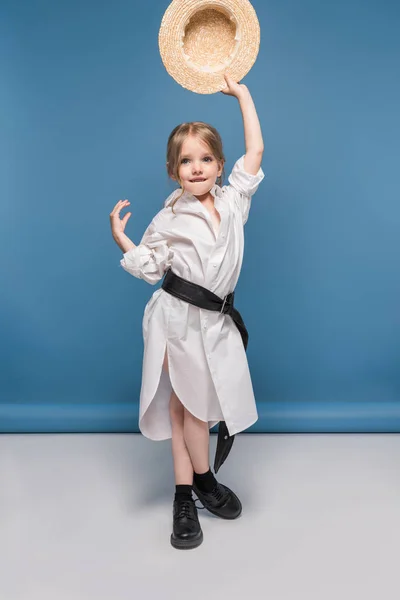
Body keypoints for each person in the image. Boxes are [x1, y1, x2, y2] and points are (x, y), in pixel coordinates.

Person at [109, 74, 264, 550]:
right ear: (174, 170)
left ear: (218, 164)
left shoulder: (234, 203)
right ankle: (197, 485)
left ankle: (191, 485)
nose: (196, 168)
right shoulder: (168, 217)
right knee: (188, 408)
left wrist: (243, 95)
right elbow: (151, 267)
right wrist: (124, 240)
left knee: (194, 410)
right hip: (176, 320)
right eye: (185, 161)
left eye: (206, 158)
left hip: (215, 322)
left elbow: (255, 153)